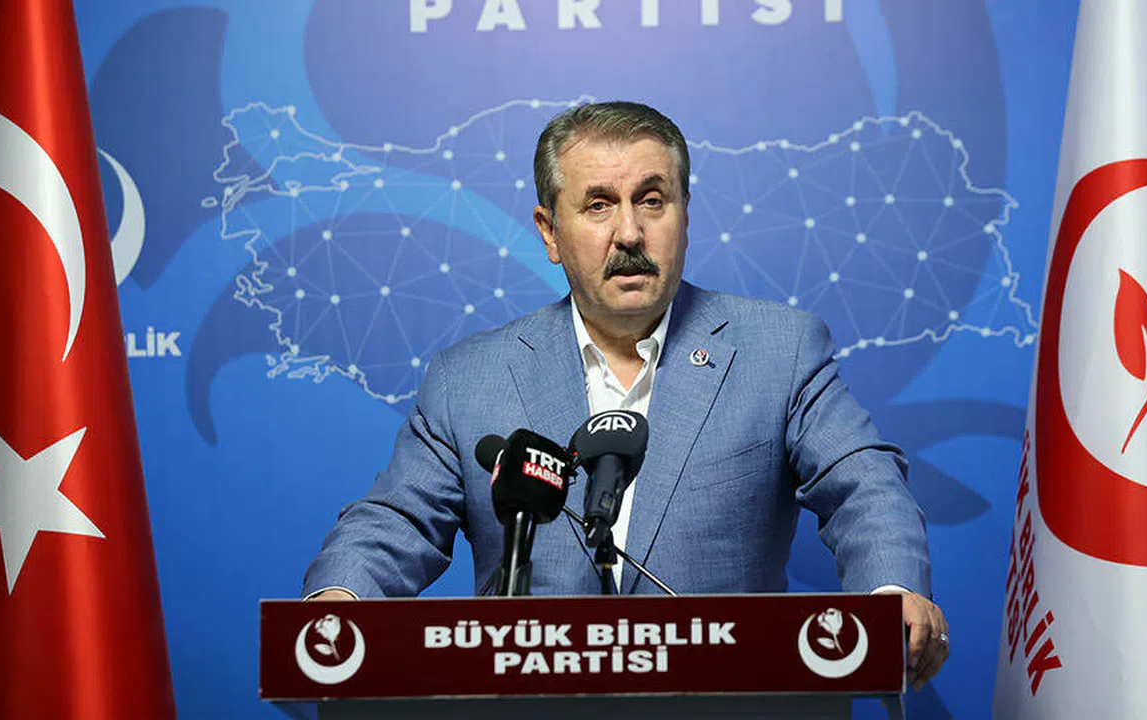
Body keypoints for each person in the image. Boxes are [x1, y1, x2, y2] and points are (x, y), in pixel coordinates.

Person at [304, 101, 950, 688]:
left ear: (685, 216)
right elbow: (396, 521)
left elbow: (862, 483)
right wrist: (338, 601)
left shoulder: (779, 352)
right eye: (598, 205)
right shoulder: (469, 380)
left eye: (652, 200)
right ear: (549, 232)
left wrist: (890, 589)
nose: (630, 233)